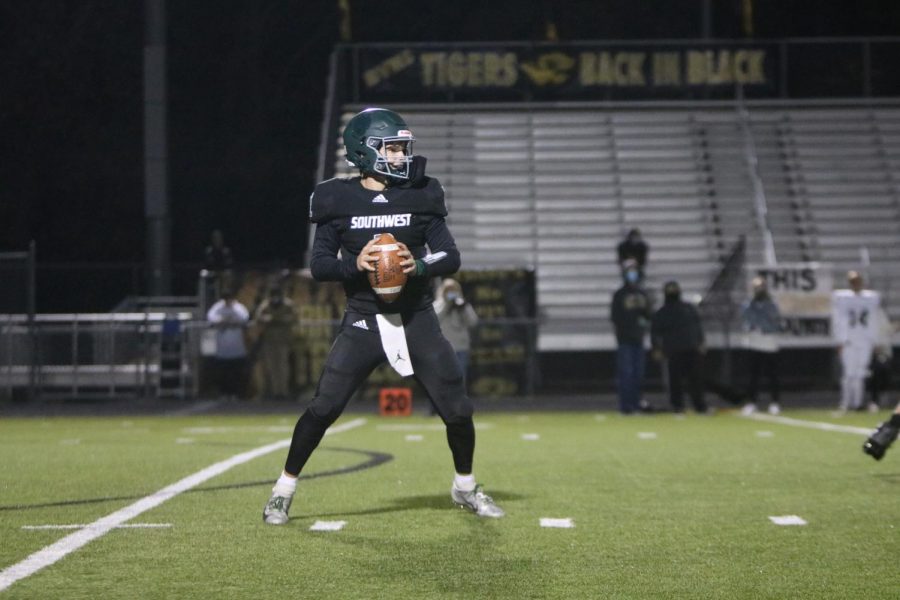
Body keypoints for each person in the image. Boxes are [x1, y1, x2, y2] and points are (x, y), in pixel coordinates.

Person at [263, 107, 504, 525]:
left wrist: (421, 265)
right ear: (364, 151)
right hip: (364, 319)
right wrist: (355, 265)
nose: (400, 156)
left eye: (401, 148)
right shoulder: (337, 198)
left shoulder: (422, 192)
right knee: (324, 407)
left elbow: (451, 255)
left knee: (458, 408)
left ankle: (464, 486)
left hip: (416, 314)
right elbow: (319, 264)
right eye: (391, 148)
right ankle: (282, 490)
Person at [651, 280, 708, 414]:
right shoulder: (665, 311)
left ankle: (697, 405)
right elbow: (655, 332)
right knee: (678, 380)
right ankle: (680, 405)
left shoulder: (686, 308)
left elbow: (697, 326)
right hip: (675, 349)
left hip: (688, 348)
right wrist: (656, 348)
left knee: (694, 379)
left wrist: (701, 341)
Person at [831, 270, 881, 413]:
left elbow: (874, 320)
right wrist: (839, 340)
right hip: (849, 341)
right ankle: (846, 402)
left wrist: (875, 340)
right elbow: (838, 320)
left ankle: (857, 403)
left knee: (860, 373)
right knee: (848, 374)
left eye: (857, 281)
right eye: (853, 281)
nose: (856, 284)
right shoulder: (842, 297)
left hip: (864, 340)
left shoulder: (871, 297)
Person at [610, 259, 652, 414]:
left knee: (638, 374)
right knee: (626, 373)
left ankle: (636, 403)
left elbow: (648, 315)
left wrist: (643, 322)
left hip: (639, 338)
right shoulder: (620, 294)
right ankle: (626, 406)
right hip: (625, 339)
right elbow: (615, 317)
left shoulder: (642, 294)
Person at [740, 276, 783, 416]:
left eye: (761, 287)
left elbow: (775, 321)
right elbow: (746, 318)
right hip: (754, 342)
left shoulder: (771, 304)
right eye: (756, 288)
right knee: (753, 375)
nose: (759, 290)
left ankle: (775, 402)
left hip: (769, 342)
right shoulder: (749, 304)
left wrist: (761, 325)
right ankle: (752, 402)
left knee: (773, 375)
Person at [253, 286, 299, 399]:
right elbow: (258, 318)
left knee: (283, 366)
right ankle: (276, 392)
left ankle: (283, 391)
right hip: (269, 341)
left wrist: (282, 319)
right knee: (272, 367)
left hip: (283, 340)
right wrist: (268, 319)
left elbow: (295, 318)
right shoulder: (266, 305)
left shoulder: (288, 304)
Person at [205, 289, 250, 400]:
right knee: (223, 373)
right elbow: (211, 318)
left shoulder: (239, 308)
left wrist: (229, 320)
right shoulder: (218, 307)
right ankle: (224, 393)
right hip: (222, 347)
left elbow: (244, 318)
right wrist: (225, 320)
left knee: (236, 372)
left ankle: (235, 393)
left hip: (237, 346)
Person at [433, 278, 479, 385]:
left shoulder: (462, 304)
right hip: (445, 349)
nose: (451, 293)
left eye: (453, 290)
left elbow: (473, 321)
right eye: (448, 290)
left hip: (461, 347)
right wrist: (447, 305)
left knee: (460, 376)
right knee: (444, 376)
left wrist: (463, 308)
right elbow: (435, 320)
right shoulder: (438, 304)